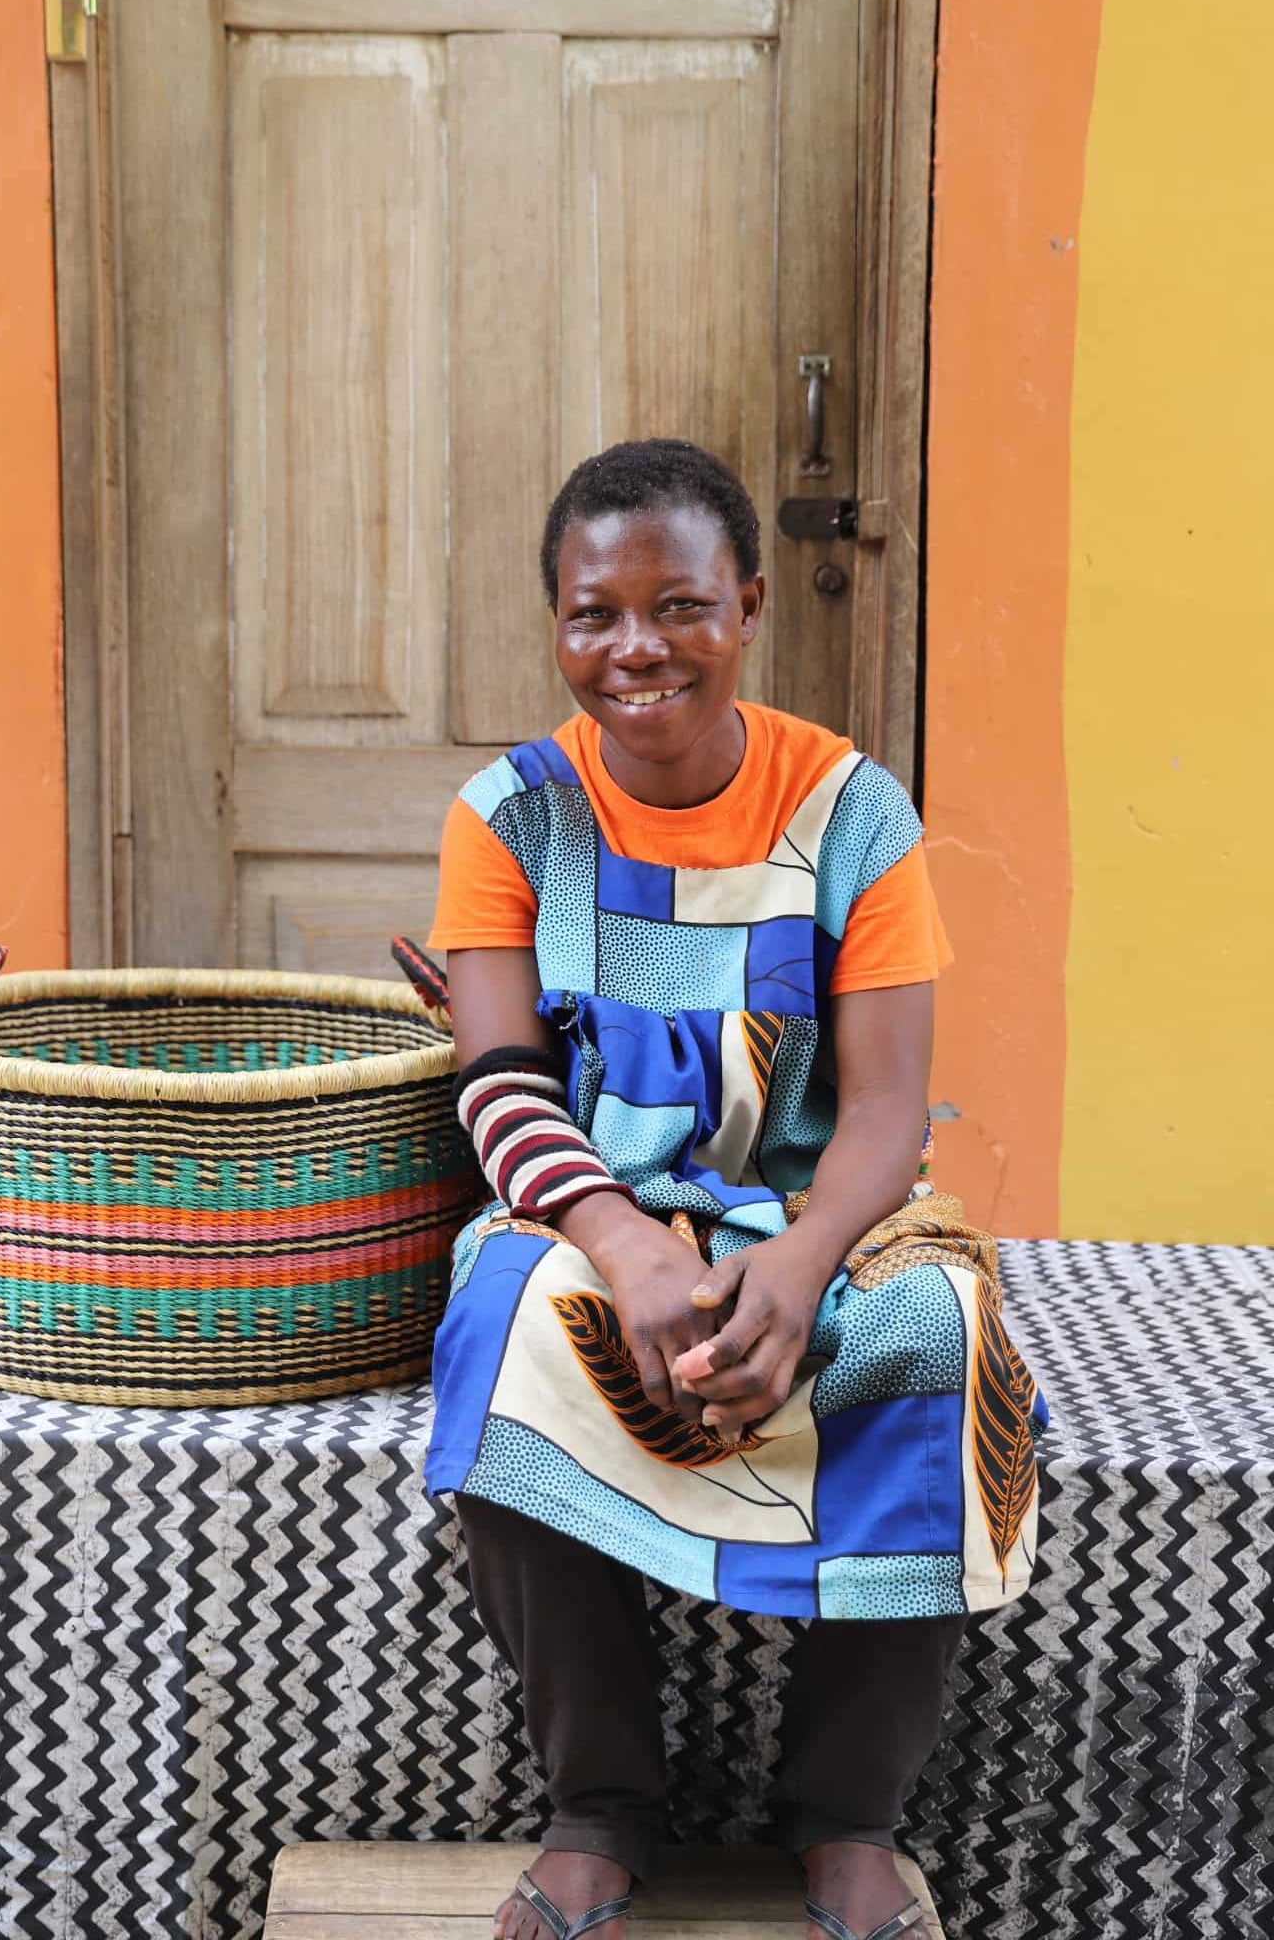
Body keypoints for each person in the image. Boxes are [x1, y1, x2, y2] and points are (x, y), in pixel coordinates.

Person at [422, 440, 1046, 1940]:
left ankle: (845, 1817)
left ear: (751, 605)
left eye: (680, 604)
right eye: (594, 614)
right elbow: (500, 1082)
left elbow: (889, 1112)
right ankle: (602, 1805)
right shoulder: (507, 817)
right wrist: (627, 1249)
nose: (634, 648)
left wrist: (811, 1256)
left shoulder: (850, 811)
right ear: (557, 627)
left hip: (828, 1197)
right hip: (592, 1199)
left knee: (942, 1342)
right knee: (505, 1322)